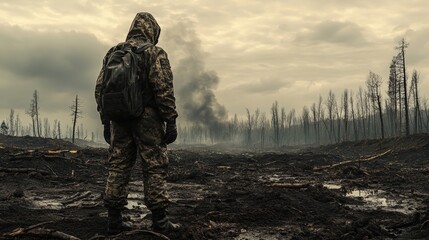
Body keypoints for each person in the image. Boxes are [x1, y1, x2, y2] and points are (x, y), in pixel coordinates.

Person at [95, 12, 180, 235]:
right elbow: (163, 89)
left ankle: (114, 221)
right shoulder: (154, 53)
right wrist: (170, 120)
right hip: (148, 120)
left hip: (119, 120)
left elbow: (100, 89)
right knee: (154, 166)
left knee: (118, 165)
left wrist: (106, 121)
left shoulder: (114, 52)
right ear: (152, 30)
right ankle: (160, 222)